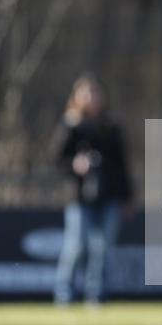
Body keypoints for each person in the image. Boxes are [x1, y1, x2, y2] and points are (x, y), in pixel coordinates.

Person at [53, 74, 133, 307]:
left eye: (96, 93)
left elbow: (122, 165)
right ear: (77, 97)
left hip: (110, 196)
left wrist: (127, 197)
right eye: (87, 93)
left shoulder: (111, 126)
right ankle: (64, 292)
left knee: (103, 248)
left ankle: (96, 293)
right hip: (79, 197)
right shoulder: (71, 126)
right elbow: (57, 161)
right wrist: (75, 165)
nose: (92, 98)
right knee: (76, 245)